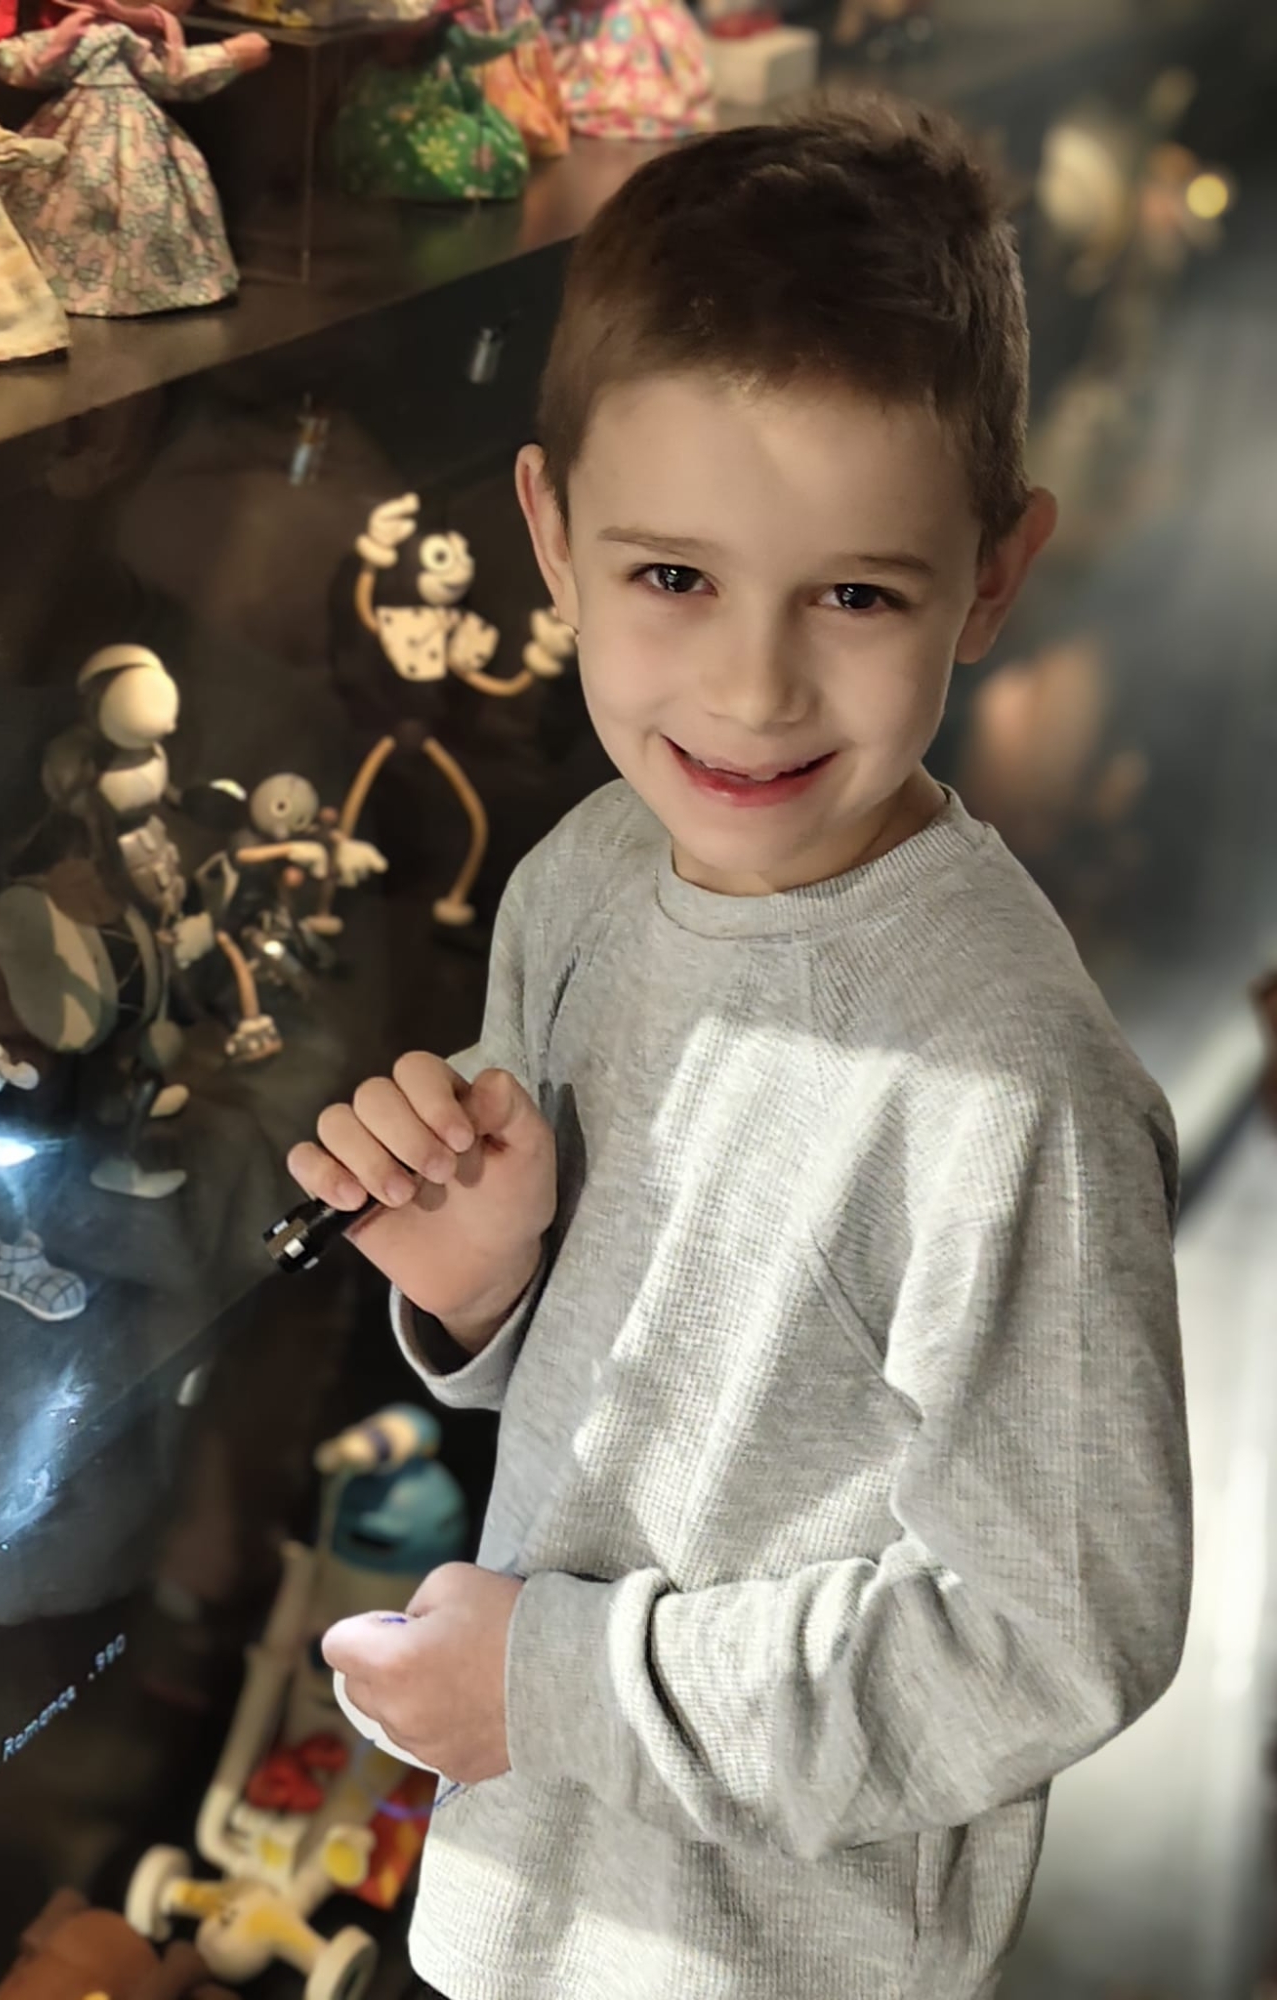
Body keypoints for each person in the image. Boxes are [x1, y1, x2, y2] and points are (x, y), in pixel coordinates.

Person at [292, 97, 1192, 2000]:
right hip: (526, 1903)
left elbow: (1058, 1636)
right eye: (674, 577)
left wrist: (553, 1688)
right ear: (551, 535)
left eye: (855, 594)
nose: (753, 688)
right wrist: (487, 1291)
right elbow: (667, 1385)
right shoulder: (584, 874)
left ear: (993, 573)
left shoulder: (1012, 1087)